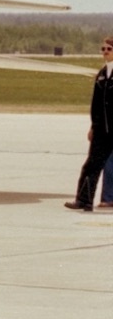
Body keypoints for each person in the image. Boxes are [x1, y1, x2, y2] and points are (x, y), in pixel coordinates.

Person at [65, 36, 113, 213]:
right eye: (103, 49)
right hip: (102, 131)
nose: (105, 52)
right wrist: (93, 126)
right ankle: (84, 200)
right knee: (91, 165)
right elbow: (96, 104)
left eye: (109, 49)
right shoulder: (101, 74)